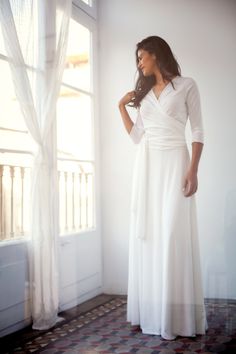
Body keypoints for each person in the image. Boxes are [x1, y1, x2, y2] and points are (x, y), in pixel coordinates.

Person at [118, 36, 207, 340]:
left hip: (175, 163)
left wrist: (192, 170)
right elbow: (136, 136)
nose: (139, 64)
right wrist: (121, 106)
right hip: (148, 167)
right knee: (152, 237)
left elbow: (197, 130)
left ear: (156, 54)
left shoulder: (186, 85)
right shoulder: (143, 96)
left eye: (142, 57)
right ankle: (154, 314)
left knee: (172, 234)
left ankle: (178, 318)